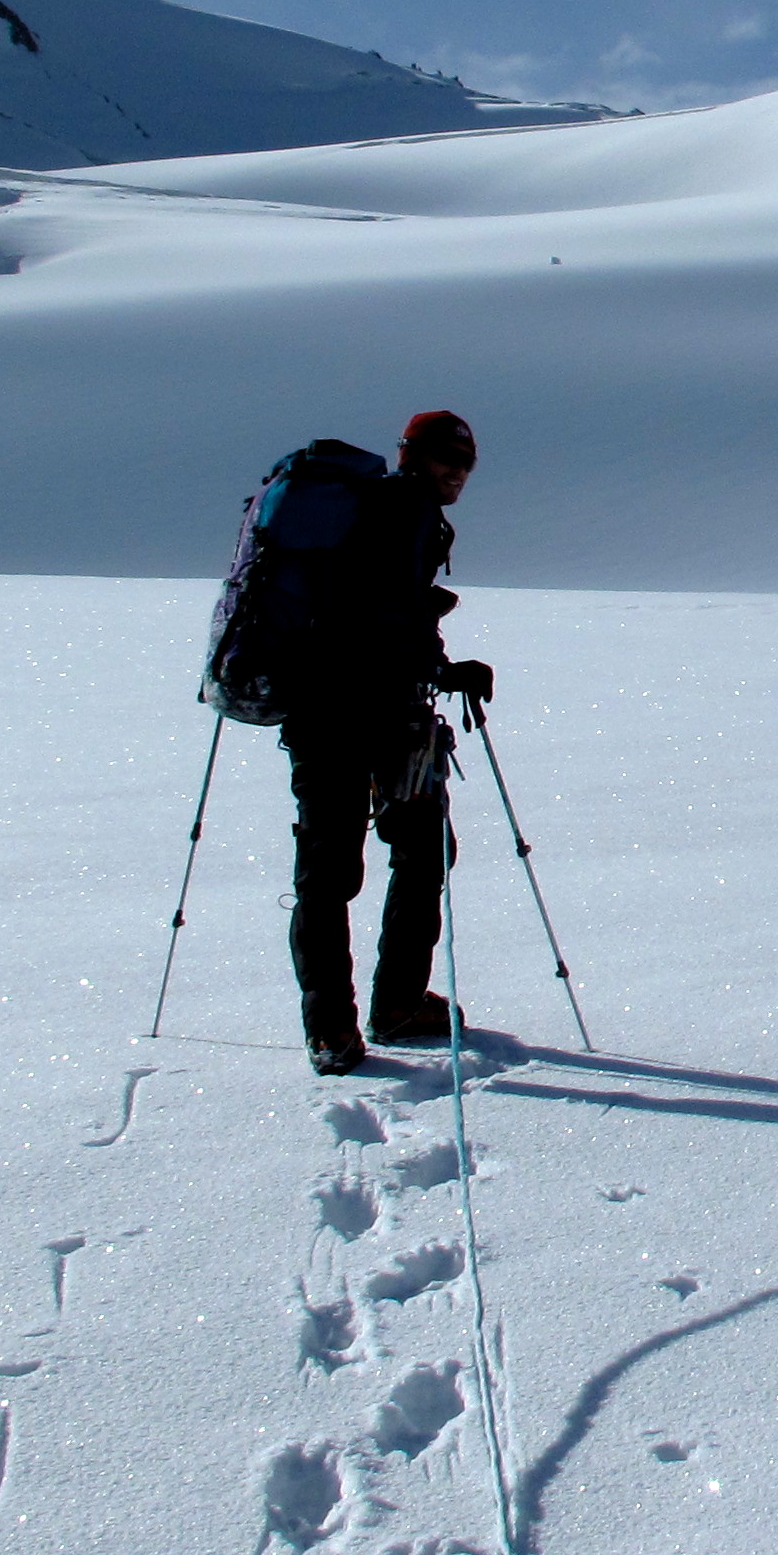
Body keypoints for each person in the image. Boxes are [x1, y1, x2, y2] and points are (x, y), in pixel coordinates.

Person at [282, 408, 495, 1073]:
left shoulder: (390, 512)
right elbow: (382, 617)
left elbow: (384, 612)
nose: (456, 472)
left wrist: (432, 653)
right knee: (384, 859)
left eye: (465, 463)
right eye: (445, 458)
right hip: (366, 717)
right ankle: (384, 1009)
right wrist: (436, 658)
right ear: (411, 455)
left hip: (336, 715)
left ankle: (342, 1027)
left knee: (340, 868)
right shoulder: (402, 512)